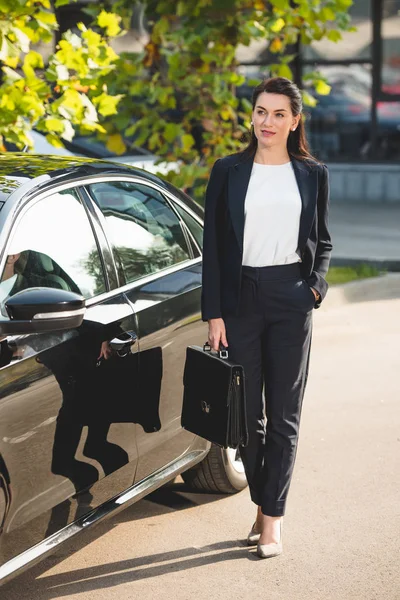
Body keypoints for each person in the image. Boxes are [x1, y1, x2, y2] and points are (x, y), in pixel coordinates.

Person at [202, 77, 332, 558]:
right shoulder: (228, 170)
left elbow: (323, 239)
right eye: (261, 112)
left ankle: (271, 520)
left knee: (284, 416)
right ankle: (264, 503)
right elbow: (213, 248)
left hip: (290, 297)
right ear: (252, 116)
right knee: (246, 419)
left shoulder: (312, 173)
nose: (268, 122)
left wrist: (314, 288)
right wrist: (214, 313)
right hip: (239, 300)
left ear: (295, 120)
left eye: (279, 114)